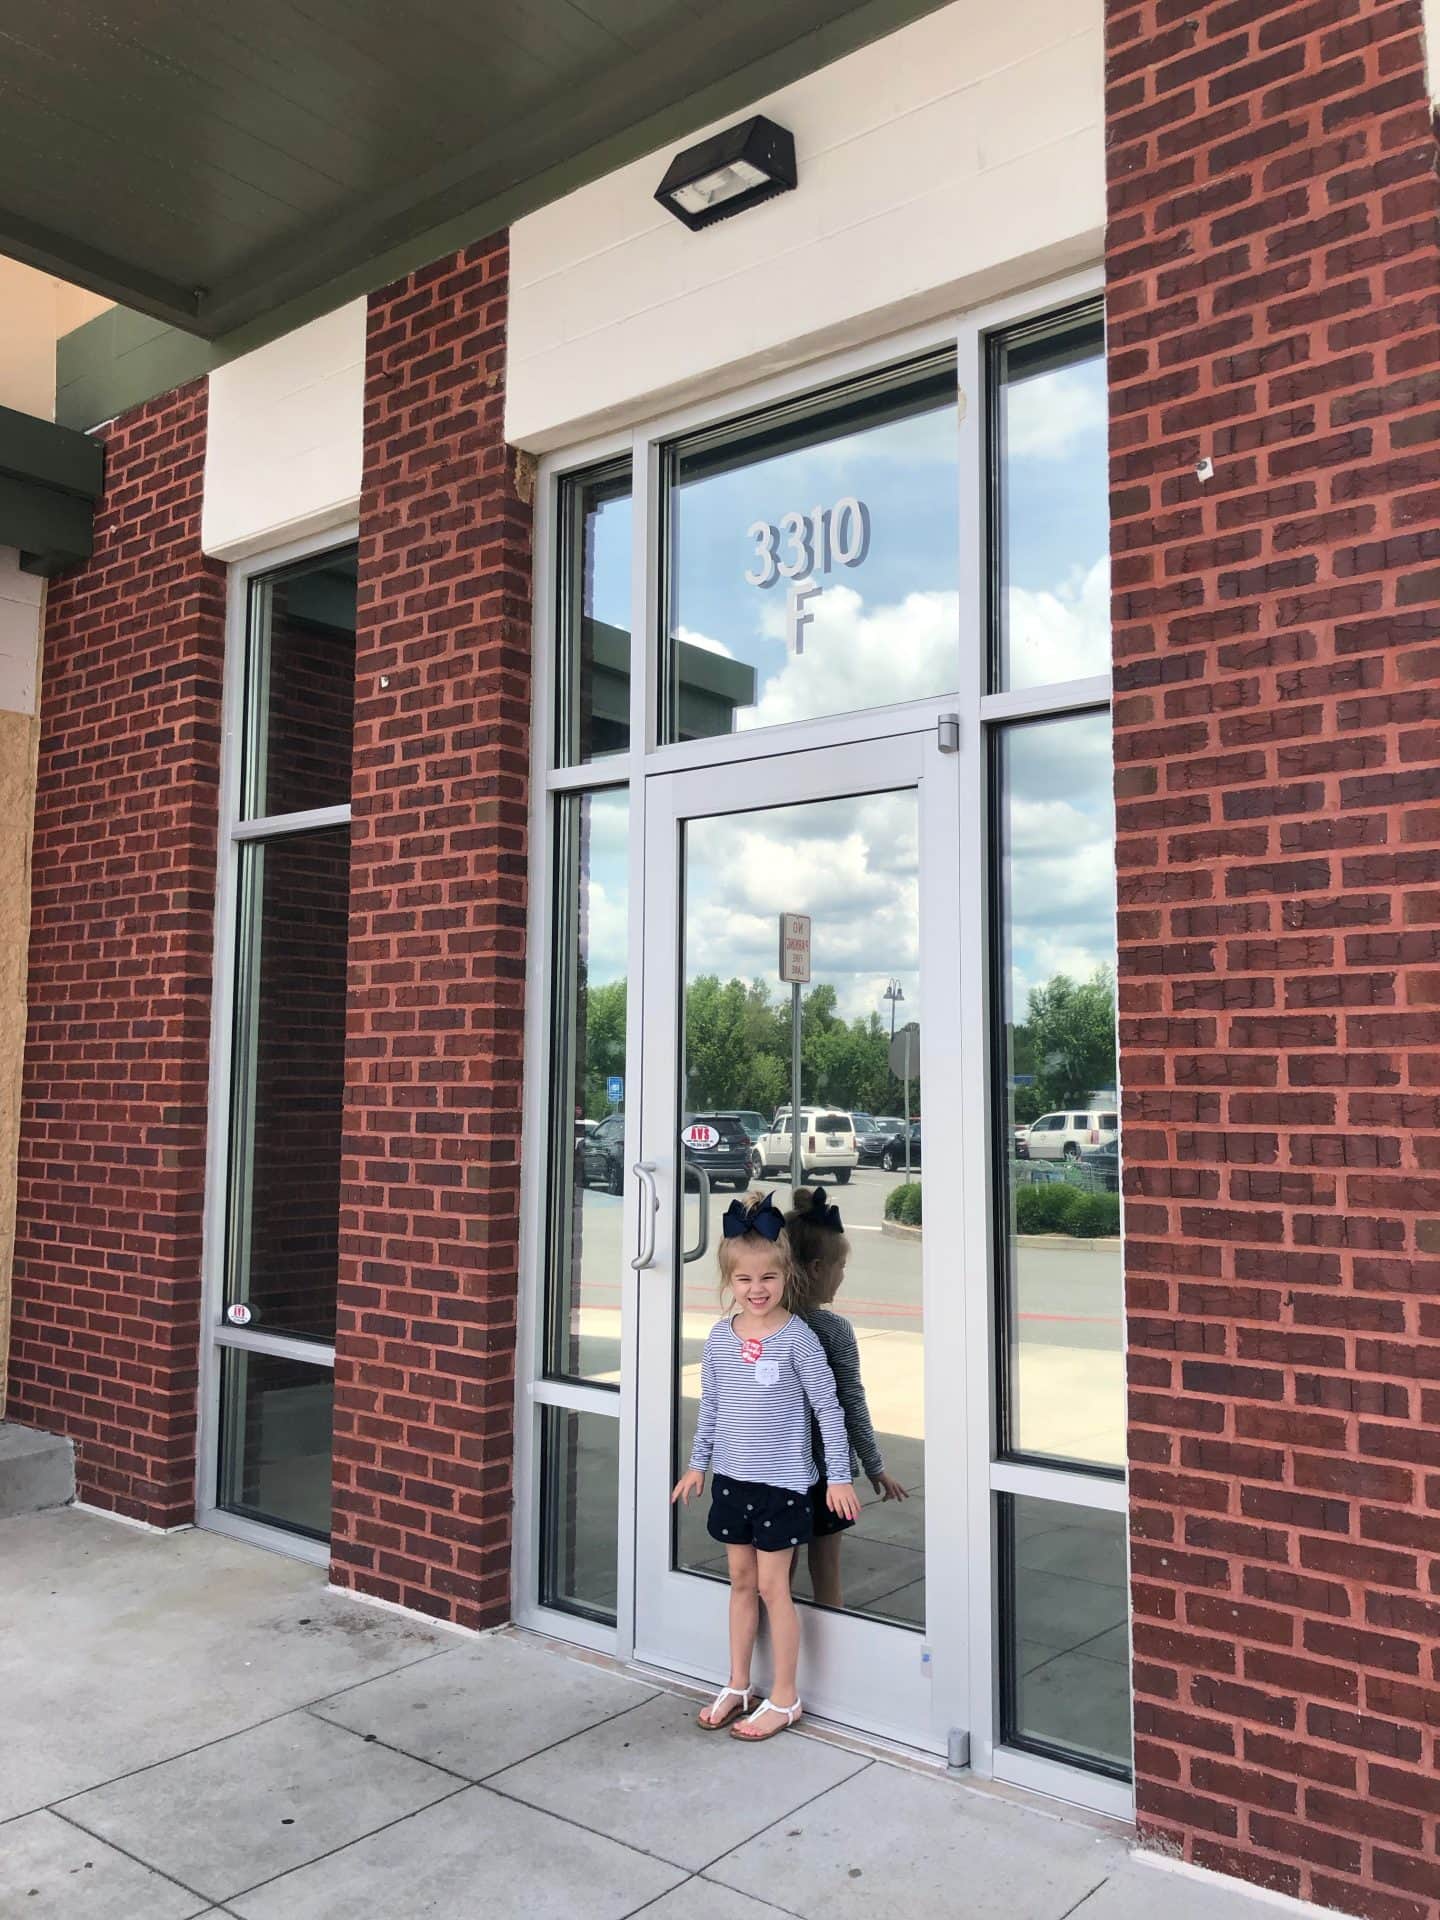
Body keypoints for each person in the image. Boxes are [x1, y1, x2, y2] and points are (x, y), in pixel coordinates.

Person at [671, 1190, 860, 1741]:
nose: (757, 1291)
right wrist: (696, 1465)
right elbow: (712, 1408)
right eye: (746, 1281)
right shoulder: (718, 1340)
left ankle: (785, 1696)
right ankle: (736, 1683)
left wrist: (841, 1477)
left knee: (776, 1588)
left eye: (769, 1280)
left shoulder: (799, 1338)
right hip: (732, 1479)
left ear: (787, 1278)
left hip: (783, 1485)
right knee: (740, 1582)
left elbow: (829, 1407)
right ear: (729, 1282)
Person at [785, 1187, 908, 1609]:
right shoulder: (834, 1330)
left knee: (776, 1567)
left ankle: (771, 1639)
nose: (842, 1276)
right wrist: (875, 1467)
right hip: (822, 1470)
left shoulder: (759, 1325)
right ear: (818, 1268)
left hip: (770, 1469)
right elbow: (851, 1404)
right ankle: (832, 1632)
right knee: (827, 1564)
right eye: (841, 1267)